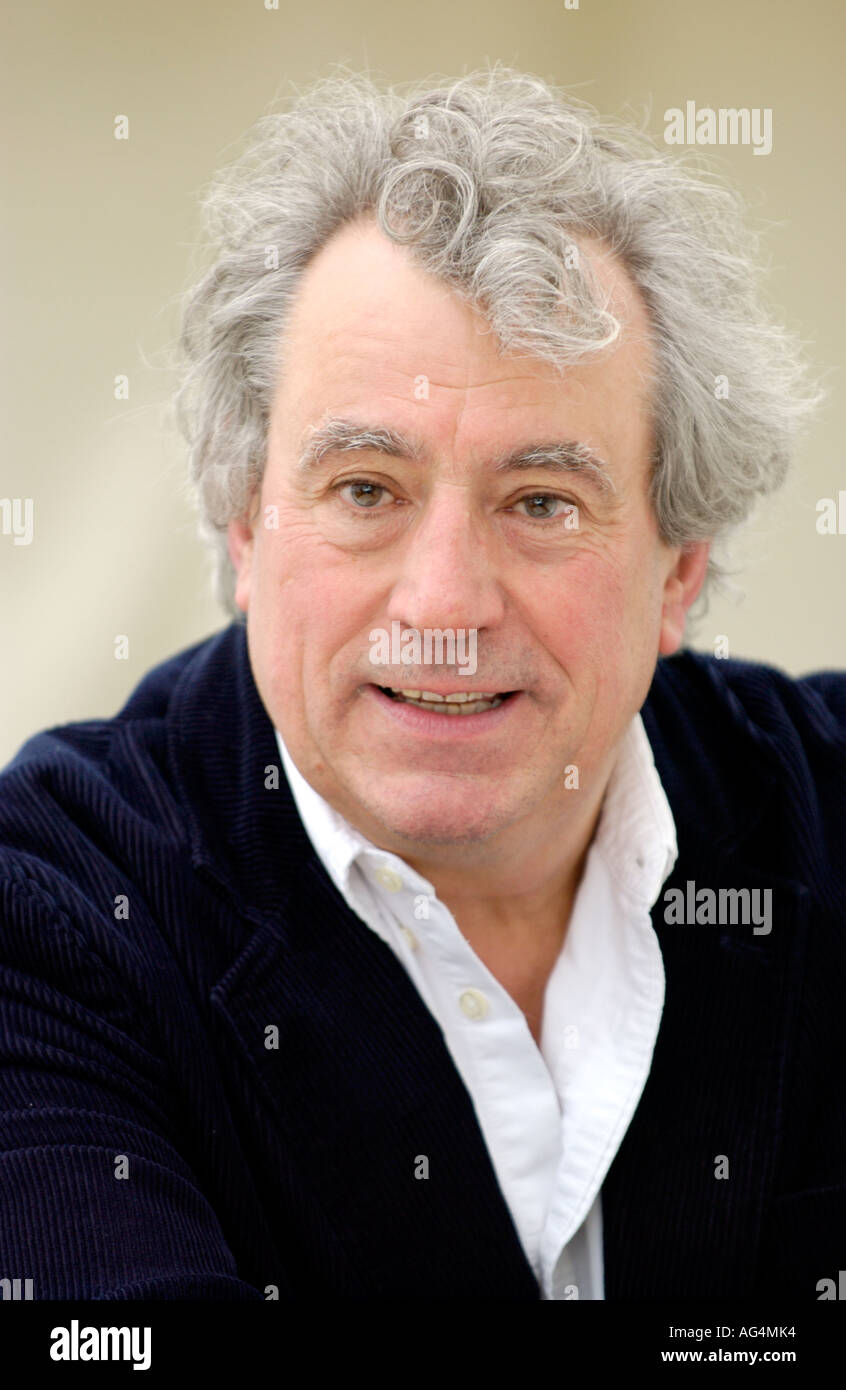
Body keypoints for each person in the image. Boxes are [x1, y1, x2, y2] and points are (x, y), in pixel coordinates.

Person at [1, 64, 843, 1302]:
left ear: (680, 569)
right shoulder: (54, 918)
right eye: (365, 491)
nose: (445, 604)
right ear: (244, 528)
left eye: (542, 501)